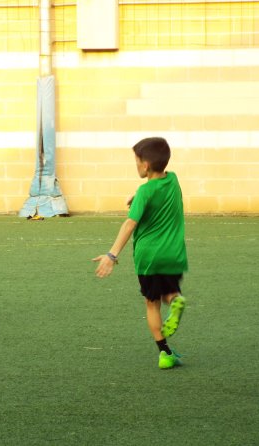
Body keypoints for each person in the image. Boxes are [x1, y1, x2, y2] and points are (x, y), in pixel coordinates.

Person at [93, 137, 188, 370]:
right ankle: (175, 300)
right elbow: (159, 194)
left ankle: (165, 353)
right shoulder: (173, 180)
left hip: (149, 257)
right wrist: (137, 198)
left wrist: (112, 255)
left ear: (145, 165)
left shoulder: (144, 191)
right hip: (173, 253)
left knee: (151, 302)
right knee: (168, 292)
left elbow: (129, 224)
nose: (135, 165)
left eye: (136, 161)